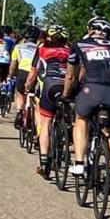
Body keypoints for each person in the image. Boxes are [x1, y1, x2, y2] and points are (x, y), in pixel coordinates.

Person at [64, 17, 110, 184]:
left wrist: (66, 94)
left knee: (81, 119)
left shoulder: (80, 45)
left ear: (90, 29)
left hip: (92, 89)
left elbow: (71, 75)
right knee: (109, 132)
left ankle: (79, 163)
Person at [30, 23, 71, 179]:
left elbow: (33, 73)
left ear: (49, 37)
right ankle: (68, 135)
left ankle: (44, 161)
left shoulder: (42, 49)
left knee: (46, 123)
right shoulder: (71, 51)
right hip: (67, 87)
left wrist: (28, 87)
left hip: (50, 86)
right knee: (71, 117)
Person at [9, 25, 41, 126]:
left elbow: (13, 66)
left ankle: (19, 112)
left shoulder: (18, 47)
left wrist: (11, 75)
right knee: (35, 97)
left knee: (20, 93)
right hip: (35, 72)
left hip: (22, 71)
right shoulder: (40, 48)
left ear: (25, 37)